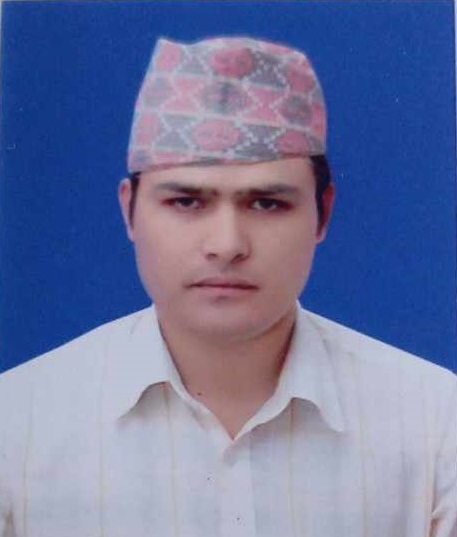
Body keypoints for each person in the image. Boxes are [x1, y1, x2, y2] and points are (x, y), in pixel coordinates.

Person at [0, 36, 455, 537]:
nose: (226, 245)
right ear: (129, 211)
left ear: (323, 214)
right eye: (186, 202)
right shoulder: (17, 425)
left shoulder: (436, 424)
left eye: (267, 204)